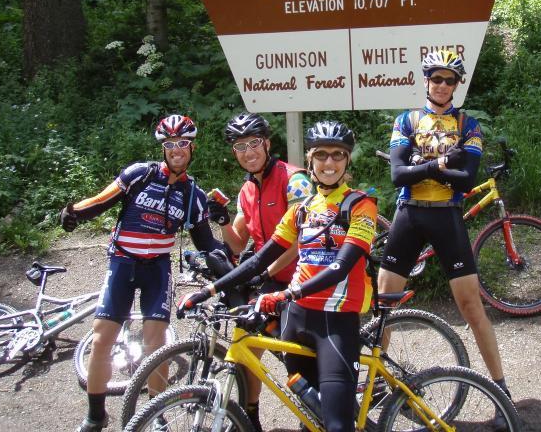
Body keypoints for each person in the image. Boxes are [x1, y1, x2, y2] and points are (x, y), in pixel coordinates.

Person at [179, 120, 376, 432]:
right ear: (311, 159)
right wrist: (208, 291)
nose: (329, 162)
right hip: (297, 320)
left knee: (338, 424)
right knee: (311, 413)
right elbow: (259, 258)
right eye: (321, 155)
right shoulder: (303, 209)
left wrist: (287, 293)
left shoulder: (361, 205)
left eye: (338, 155)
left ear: (347, 160)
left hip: (335, 319)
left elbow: (341, 265)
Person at [60, 114, 226, 432]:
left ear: (192, 148)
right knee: (101, 338)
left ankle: (158, 414)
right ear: (163, 148)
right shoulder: (140, 174)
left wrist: (233, 265)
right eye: (170, 144)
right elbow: (103, 200)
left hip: (157, 269)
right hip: (122, 262)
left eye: (183, 143)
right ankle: (95, 416)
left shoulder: (193, 194)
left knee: (156, 342)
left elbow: (207, 244)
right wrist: (74, 212)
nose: (176, 149)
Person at [377, 49, 513, 431]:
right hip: (409, 216)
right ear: (426, 81)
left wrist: (424, 168)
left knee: (472, 308)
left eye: (448, 80)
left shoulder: (469, 124)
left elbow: (468, 179)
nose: (441, 85)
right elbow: (398, 176)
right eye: (435, 78)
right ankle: (377, 388)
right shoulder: (406, 119)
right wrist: (440, 165)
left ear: (456, 85)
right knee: (383, 307)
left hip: (447, 218)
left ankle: (501, 391)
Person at [208, 111, 313, 431]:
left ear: (267, 144)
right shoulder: (247, 191)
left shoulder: (294, 180)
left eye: (254, 143)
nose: (248, 152)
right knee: (250, 342)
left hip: (304, 278)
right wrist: (223, 222)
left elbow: (303, 240)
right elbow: (239, 246)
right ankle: (250, 417)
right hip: (271, 277)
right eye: (240, 146)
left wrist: (264, 271)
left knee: (302, 355)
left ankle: (319, 412)